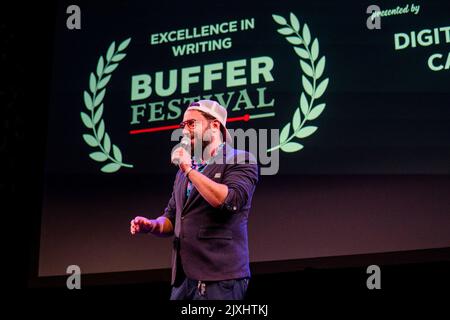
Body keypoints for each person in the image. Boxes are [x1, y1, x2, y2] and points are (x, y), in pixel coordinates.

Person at [130, 99, 258, 300]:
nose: (185, 130)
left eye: (192, 123)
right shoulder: (185, 172)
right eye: (183, 125)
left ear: (215, 126)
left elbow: (228, 200)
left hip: (219, 278)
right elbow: (171, 218)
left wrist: (189, 170)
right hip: (184, 279)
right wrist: (152, 225)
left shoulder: (240, 159)